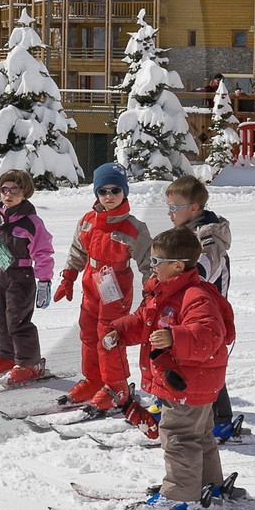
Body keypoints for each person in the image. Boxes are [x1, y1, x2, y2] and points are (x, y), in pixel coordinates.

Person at [103, 226, 237, 510]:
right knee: (199, 436)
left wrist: (174, 337)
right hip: (188, 382)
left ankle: (179, 493)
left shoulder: (195, 296)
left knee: (178, 437)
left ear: (177, 265)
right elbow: (143, 321)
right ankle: (208, 485)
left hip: (187, 382)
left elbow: (210, 335)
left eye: (156, 261)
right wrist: (119, 331)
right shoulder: (165, 292)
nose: (151, 266)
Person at [54, 163, 151, 412]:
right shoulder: (87, 221)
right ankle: (93, 379)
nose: (109, 196)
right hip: (91, 282)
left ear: (124, 192)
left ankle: (117, 387)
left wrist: (152, 293)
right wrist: (68, 278)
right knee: (88, 333)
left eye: (115, 190)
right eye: (103, 191)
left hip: (116, 288)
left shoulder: (134, 228)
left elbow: (148, 263)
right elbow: (77, 251)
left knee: (109, 336)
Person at [165, 175, 241, 441]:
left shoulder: (210, 238)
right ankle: (175, 403)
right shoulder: (183, 232)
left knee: (207, 362)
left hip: (209, 312)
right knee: (180, 355)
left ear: (194, 208)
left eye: (174, 208)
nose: (169, 213)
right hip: (186, 306)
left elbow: (200, 270)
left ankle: (221, 419)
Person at [0, 169, 56, 385]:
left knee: (18, 320)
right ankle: (7, 356)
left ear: (25, 192)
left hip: (21, 276)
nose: (8, 194)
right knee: (0, 318)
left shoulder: (31, 223)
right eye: (4, 189)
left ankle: (30, 363)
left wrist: (44, 282)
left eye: (14, 189)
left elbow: (43, 253)